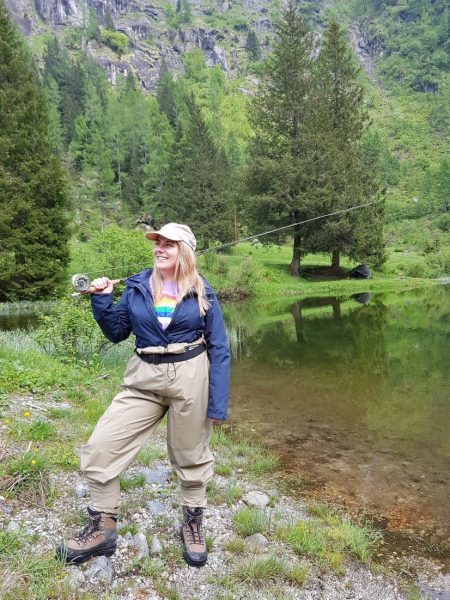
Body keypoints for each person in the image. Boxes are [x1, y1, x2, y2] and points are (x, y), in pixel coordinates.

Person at [56, 223, 230, 568]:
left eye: (169, 244)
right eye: (157, 243)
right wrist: (102, 300)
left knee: (190, 454)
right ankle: (102, 529)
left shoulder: (203, 292)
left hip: (191, 374)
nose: (160, 249)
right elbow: (118, 331)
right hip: (142, 376)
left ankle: (193, 522)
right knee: (102, 445)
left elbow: (220, 347)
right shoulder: (136, 287)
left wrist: (217, 403)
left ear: (186, 252)